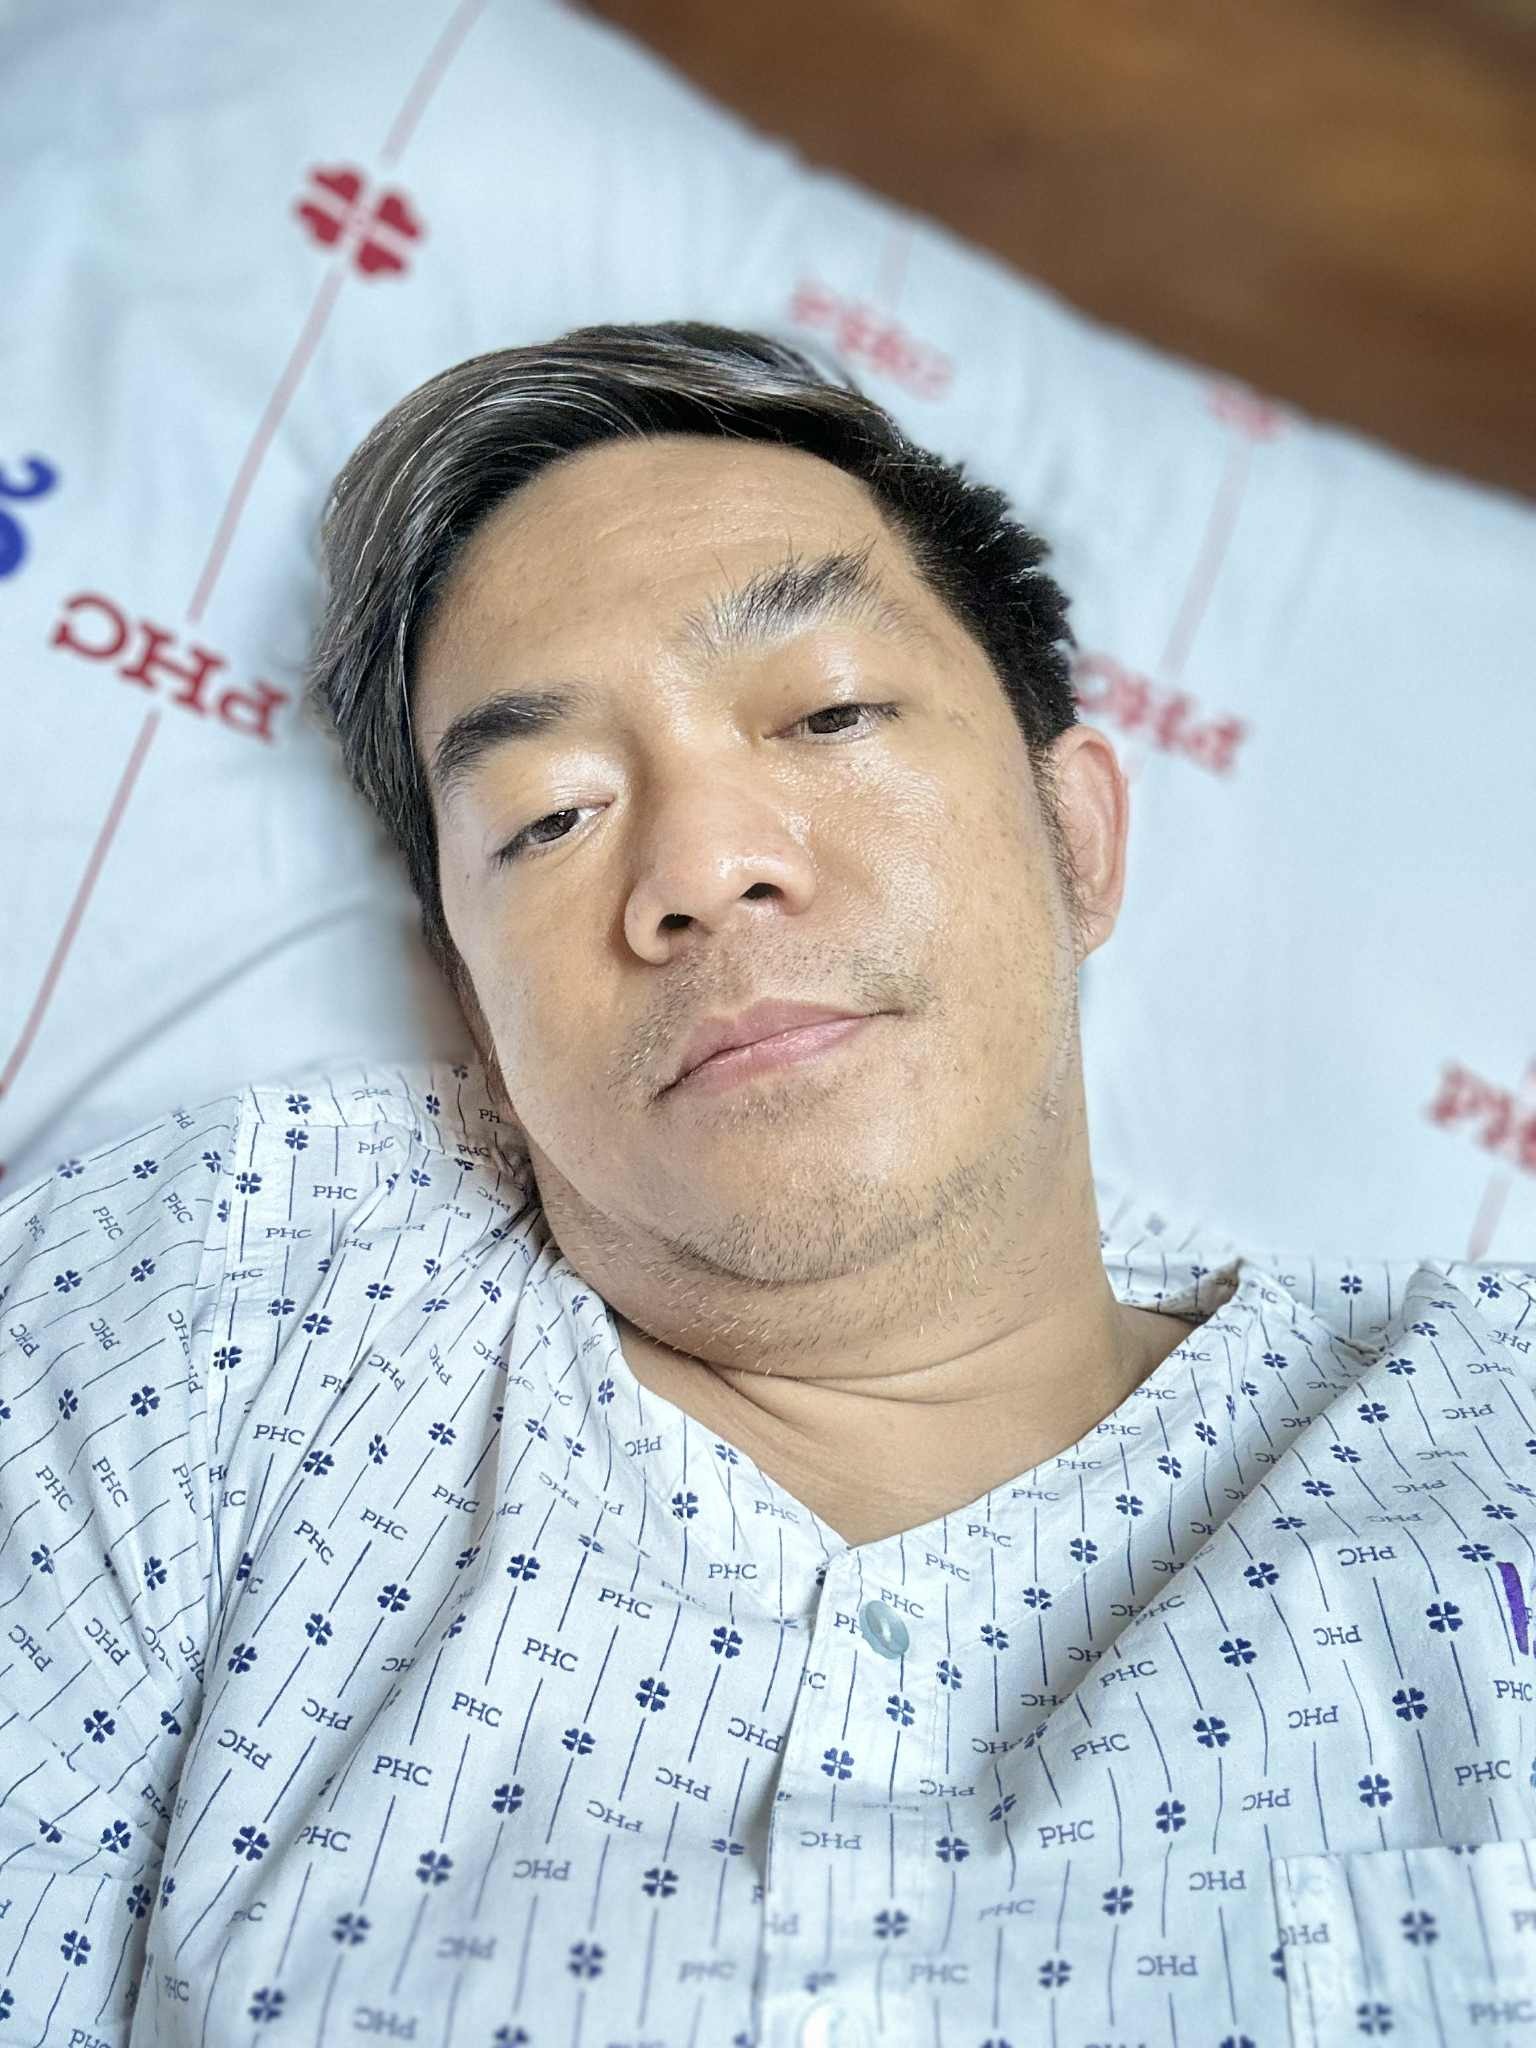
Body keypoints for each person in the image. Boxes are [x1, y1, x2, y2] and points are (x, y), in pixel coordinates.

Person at [1, 322, 1531, 2048]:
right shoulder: (231, 1304)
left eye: (828, 713)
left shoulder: (1492, 1450)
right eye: (548, 817)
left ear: (1080, 839)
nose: (703, 866)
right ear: (476, 1001)